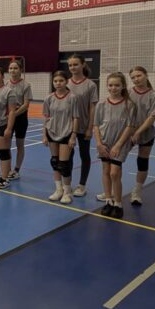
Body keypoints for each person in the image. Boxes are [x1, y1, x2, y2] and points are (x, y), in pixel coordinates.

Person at [94, 73, 136, 218]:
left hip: (120, 144)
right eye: (110, 85)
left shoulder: (129, 105)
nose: (113, 88)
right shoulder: (101, 104)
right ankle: (108, 200)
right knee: (106, 171)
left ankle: (118, 203)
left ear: (123, 86)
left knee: (114, 173)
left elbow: (129, 127)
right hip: (104, 143)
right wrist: (99, 143)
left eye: (117, 85)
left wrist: (118, 145)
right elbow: (96, 125)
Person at [127, 66, 155, 206]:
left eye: (139, 76)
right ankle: (110, 191)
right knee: (116, 160)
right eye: (133, 77)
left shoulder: (154, 95)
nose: (136, 79)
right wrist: (130, 132)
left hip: (146, 133)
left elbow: (151, 117)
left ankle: (137, 192)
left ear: (146, 75)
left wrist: (138, 132)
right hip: (127, 133)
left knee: (142, 161)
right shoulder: (128, 93)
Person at [66, 53, 98, 197]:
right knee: (68, 156)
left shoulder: (90, 85)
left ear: (83, 64)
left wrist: (90, 128)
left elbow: (92, 107)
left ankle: (82, 185)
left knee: (84, 155)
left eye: (75, 64)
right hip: (68, 127)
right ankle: (68, 184)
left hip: (84, 126)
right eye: (70, 65)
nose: (72, 67)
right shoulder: (66, 83)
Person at [42, 70, 77, 204]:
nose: (58, 83)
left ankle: (67, 192)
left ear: (66, 81)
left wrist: (73, 135)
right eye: (55, 81)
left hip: (66, 132)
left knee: (64, 164)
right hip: (52, 132)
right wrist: (44, 135)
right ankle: (58, 189)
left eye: (61, 81)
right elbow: (46, 118)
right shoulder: (49, 98)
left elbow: (75, 118)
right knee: (55, 162)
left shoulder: (72, 98)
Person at [5, 59, 32, 181]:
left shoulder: (26, 85)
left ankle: (16, 170)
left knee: (19, 144)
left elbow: (26, 105)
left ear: (21, 70)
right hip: (8, 117)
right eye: (11, 68)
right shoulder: (6, 84)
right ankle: (8, 168)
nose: (13, 70)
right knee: (6, 144)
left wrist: (14, 114)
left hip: (20, 116)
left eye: (15, 68)